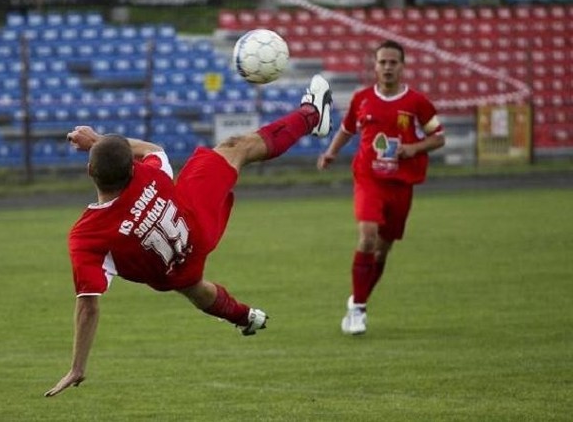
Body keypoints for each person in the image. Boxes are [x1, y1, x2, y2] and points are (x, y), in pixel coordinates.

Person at [44, 74, 333, 397]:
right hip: (197, 224)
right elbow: (153, 149)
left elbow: (88, 306)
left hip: (173, 271)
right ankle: (311, 115)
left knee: (193, 288)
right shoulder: (147, 172)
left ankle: (244, 316)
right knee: (237, 148)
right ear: (131, 168)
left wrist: (77, 367)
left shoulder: (85, 237)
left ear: (89, 172)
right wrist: (98, 140)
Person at [317, 40, 445, 335]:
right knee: (368, 236)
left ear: (402, 66)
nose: (387, 67)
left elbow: (438, 137)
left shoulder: (417, 103)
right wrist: (332, 152)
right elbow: (348, 128)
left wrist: (414, 148)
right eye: (382, 62)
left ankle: (358, 301)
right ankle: (359, 311)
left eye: (393, 62)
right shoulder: (362, 98)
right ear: (374, 66)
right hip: (369, 178)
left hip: (401, 184)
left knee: (382, 252)